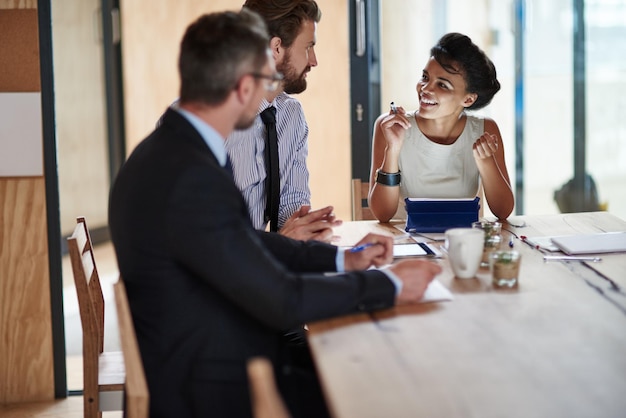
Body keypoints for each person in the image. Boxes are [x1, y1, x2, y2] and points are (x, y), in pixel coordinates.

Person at [109, 9, 441, 418]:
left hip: (203, 350)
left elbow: (242, 240)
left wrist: (342, 258)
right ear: (245, 86)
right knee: (375, 384)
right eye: (267, 78)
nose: (273, 90)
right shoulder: (190, 175)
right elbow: (282, 300)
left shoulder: (174, 151)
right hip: (209, 385)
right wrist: (388, 286)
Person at [368, 32, 515, 222]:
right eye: (425, 77)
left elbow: (503, 211)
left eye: (442, 85)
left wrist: (487, 163)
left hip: (462, 243)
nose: (426, 88)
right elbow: (382, 213)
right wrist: (393, 150)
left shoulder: (484, 130)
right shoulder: (391, 127)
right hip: (404, 244)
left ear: (468, 99)